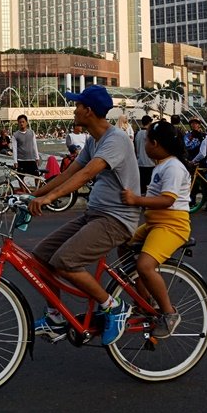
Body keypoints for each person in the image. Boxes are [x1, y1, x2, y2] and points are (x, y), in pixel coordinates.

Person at [27, 85, 140, 346]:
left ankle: (113, 306)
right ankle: (55, 317)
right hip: (95, 214)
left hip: (116, 220)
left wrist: (49, 199)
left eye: (77, 105)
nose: (74, 109)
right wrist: (36, 195)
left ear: (88, 111)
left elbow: (86, 174)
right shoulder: (93, 140)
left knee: (65, 261)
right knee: (41, 256)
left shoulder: (116, 140)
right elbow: (68, 173)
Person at [120, 121, 190, 338]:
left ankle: (169, 313)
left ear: (156, 144)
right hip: (154, 223)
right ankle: (144, 301)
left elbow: (168, 200)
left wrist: (135, 199)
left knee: (145, 265)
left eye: (146, 140)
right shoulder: (161, 165)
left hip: (172, 224)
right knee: (124, 246)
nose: (143, 145)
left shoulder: (173, 167)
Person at [134, 115, 155, 194]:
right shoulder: (149, 134)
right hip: (150, 163)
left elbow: (135, 149)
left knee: (141, 187)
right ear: (149, 122)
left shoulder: (137, 134)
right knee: (150, 187)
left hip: (140, 163)